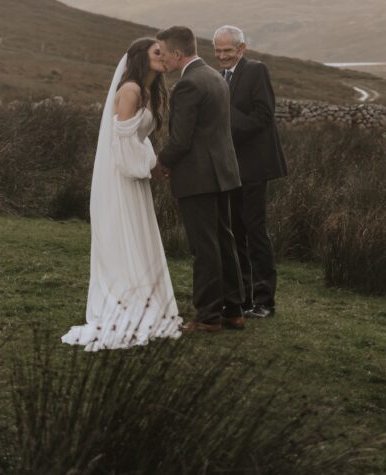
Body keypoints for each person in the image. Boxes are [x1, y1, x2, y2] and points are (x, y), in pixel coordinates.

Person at [62, 38, 183, 350]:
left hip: (135, 174)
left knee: (139, 234)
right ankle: (124, 300)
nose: (164, 56)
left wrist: (153, 164)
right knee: (123, 234)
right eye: (157, 53)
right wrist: (151, 168)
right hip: (121, 176)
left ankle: (143, 297)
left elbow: (139, 140)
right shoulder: (129, 90)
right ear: (141, 58)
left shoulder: (148, 92)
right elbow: (123, 144)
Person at [154, 26, 244, 333]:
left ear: (178, 54)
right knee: (223, 241)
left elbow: (180, 140)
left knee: (204, 247)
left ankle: (207, 317)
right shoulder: (214, 76)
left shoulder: (188, 84)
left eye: (163, 54)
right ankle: (233, 310)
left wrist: (162, 163)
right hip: (222, 173)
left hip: (198, 176)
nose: (162, 60)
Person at [213, 25, 287, 319]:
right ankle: (241, 298)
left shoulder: (256, 71)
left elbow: (263, 116)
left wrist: (224, 112)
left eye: (227, 51)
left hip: (255, 167)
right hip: (230, 169)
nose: (222, 56)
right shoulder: (219, 77)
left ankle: (265, 301)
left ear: (241, 49)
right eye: (217, 51)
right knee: (235, 233)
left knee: (255, 232)